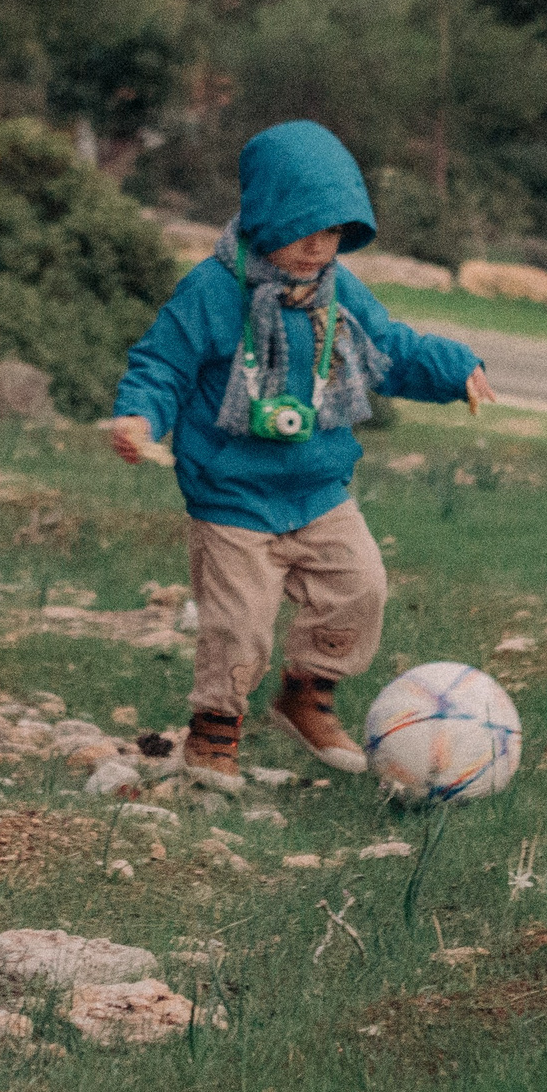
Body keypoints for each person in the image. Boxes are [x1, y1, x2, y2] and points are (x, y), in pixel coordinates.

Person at [109, 121, 495, 780]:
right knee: (239, 628)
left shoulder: (339, 293)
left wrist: (456, 368)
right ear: (264, 216)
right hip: (232, 498)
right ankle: (214, 731)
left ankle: (305, 695)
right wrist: (138, 418)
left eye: (336, 232)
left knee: (360, 588)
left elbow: (391, 351)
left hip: (318, 492)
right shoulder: (213, 290)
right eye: (304, 228)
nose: (320, 246)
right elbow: (162, 365)